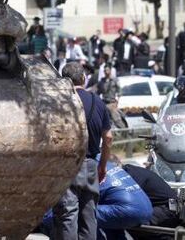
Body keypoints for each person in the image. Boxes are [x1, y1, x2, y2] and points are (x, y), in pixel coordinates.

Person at [53, 62, 113, 240]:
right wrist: (102, 166)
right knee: (89, 216)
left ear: (64, 81)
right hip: (91, 165)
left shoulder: (59, 103)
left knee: (67, 214)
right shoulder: (98, 102)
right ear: (84, 79)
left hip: (66, 166)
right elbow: (108, 137)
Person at [107, 156, 180, 240]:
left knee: (127, 220)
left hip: (166, 209)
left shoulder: (128, 176)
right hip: (166, 208)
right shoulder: (130, 171)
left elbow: (125, 201)